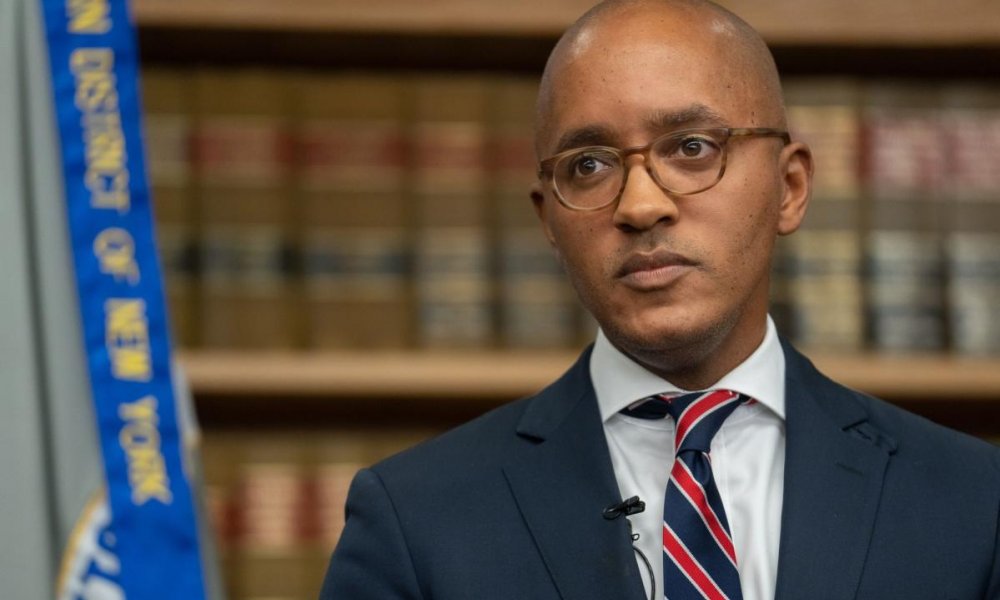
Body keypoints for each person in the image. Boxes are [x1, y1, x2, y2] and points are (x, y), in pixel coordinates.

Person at [320, 1, 1000, 598]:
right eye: (588, 165)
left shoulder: (976, 503)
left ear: (790, 188)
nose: (641, 205)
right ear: (548, 221)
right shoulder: (415, 520)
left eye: (693, 147)